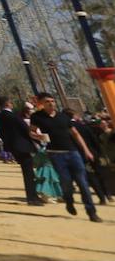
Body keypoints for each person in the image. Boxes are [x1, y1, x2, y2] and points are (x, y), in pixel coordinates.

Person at [30, 92, 101, 222]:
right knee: (66, 182)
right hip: (56, 154)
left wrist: (86, 150)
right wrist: (38, 136)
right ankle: (69, 200)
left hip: (73, 152)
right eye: (47, 101)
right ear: (41, 104)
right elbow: (31, 132)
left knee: (83, 183)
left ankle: (91, 212)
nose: (51, 103)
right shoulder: (37, 117)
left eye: (52, 101)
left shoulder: (63, 117)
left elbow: (75, 134)